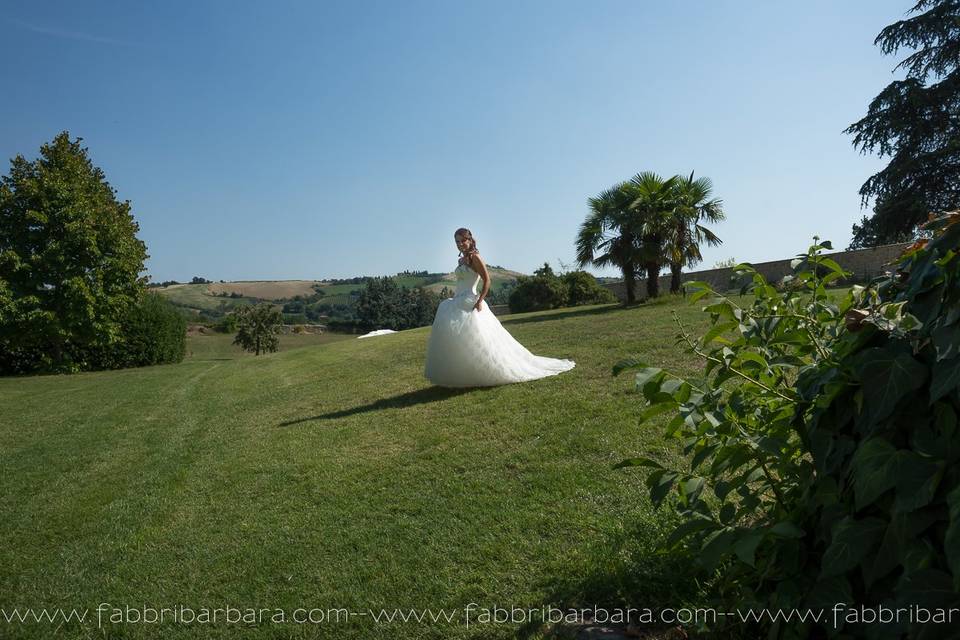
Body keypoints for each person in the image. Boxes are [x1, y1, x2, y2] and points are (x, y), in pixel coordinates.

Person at [424, 228, 575, 387]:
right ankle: (464, 372)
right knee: (459, 337)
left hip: (470, 300)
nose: (460, 244)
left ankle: (487, 370)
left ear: (470, 240)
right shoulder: (461, 260)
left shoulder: (476, 258)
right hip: (457, 300)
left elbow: (487, 280)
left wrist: (480, 300)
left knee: (480, 339)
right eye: (457, 242)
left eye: (463, 240)